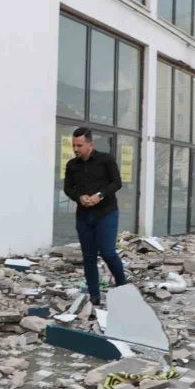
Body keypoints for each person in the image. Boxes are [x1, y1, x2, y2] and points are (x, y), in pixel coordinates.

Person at [63, 127, 127, 307]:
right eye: (74, 145)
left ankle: (123, 288)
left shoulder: (105, 160)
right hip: (84, 216)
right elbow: (68, 188)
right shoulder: (72, 165)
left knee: (108, 252)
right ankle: (94, 296)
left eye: (79, 145)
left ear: (90, 144)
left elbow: (117, 183)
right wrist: (79, 197)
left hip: (106, 213)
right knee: (89, 257)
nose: (76, 149)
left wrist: (100, 195)